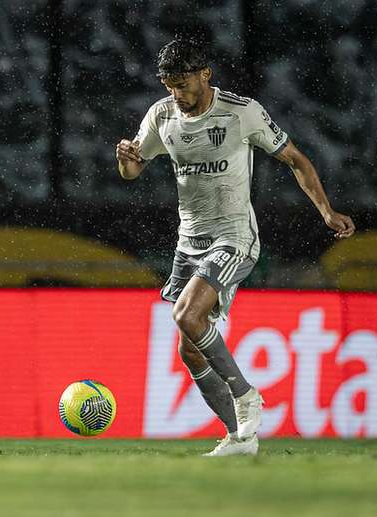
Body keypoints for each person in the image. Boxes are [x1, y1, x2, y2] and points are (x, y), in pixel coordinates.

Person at [115, 37, 355, 456]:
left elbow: (296, 159)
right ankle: (239, 437)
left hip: (235, 238)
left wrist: (326, 212)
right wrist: (125, 157)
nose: (179, 94)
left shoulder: (242, 113)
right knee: (189, 349)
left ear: (205, 74)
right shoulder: (161, 115)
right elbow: (134, 169)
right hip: (188, 242)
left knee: (186, 315)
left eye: (185, 84)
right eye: (170, 85)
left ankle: (245, 394)